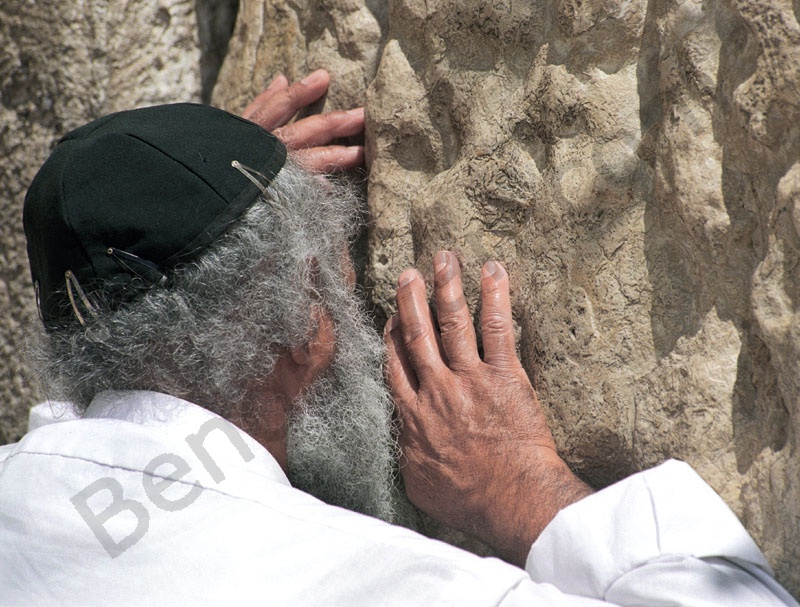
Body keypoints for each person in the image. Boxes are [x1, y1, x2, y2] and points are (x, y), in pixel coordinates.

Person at [1, 69, 796, 606]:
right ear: (300, 312)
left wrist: (196, 191)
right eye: (326, 271)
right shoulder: (360, 581)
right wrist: (527, 490)